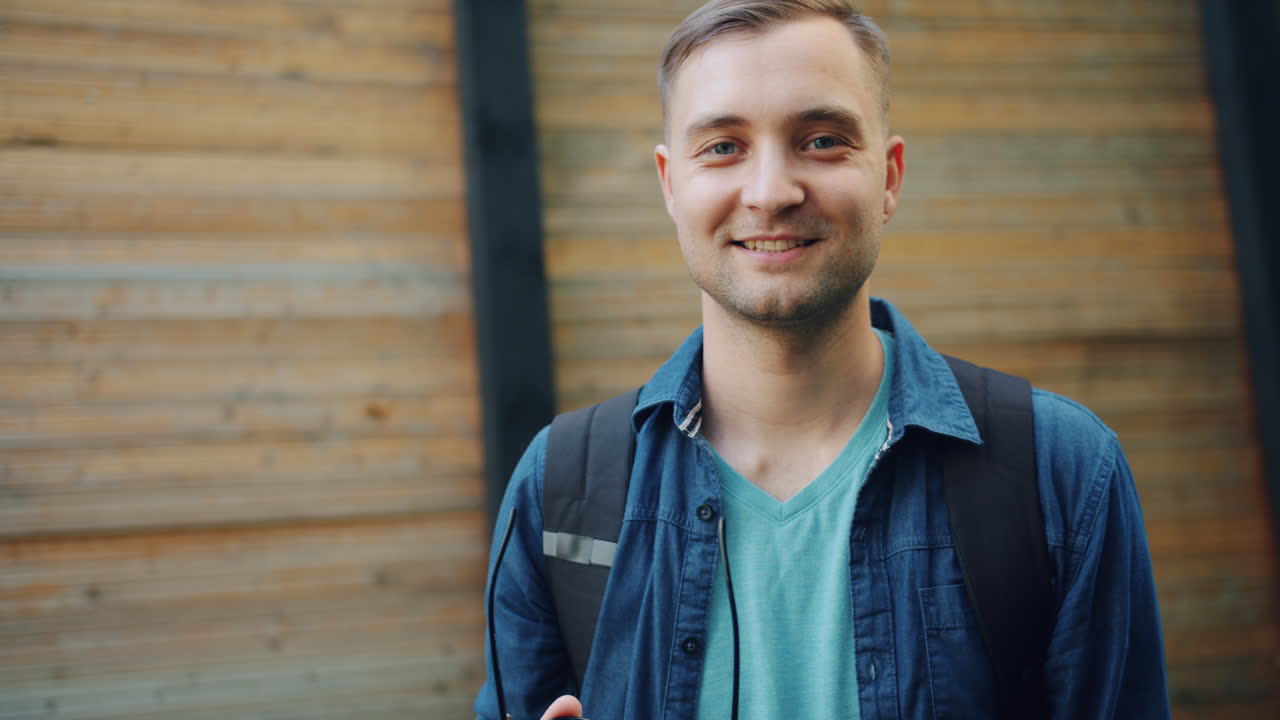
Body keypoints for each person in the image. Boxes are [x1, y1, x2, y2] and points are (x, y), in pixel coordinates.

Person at [475, 1, 1171, 718]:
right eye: (722, 146)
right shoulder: (556, 487)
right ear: (669, 185)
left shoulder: (1064, 473)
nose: (772, 192)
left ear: (891, 176)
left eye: (822, 139)